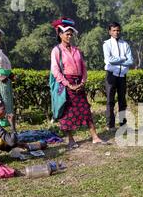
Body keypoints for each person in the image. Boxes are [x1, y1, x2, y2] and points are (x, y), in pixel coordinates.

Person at [50, 17, 107, 149]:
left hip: (78, 83)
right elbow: (55, 70)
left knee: (86, 110)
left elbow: (83, 67)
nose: (69, 36)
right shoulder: (57, 50)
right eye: (67, 34)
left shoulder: (76, 50)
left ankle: (95, 137)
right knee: (67, 112)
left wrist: (82, 81)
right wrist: (68, 84)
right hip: (66, 84)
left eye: (71, 34)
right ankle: (71, 140)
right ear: (60, 34)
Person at [103, 22, 133, 131]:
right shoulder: (106, 44)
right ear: (110, 32)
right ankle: (110, 125)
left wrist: (118, 61)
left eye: (118, 30)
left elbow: (131, 61)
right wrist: (123, 59)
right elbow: (109, 60)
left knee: (122, 101)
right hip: (111, 75)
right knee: (110, 100)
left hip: (122, 75)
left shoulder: (125, 44)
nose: (116, 32)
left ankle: (123, 124)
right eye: (114, 30)